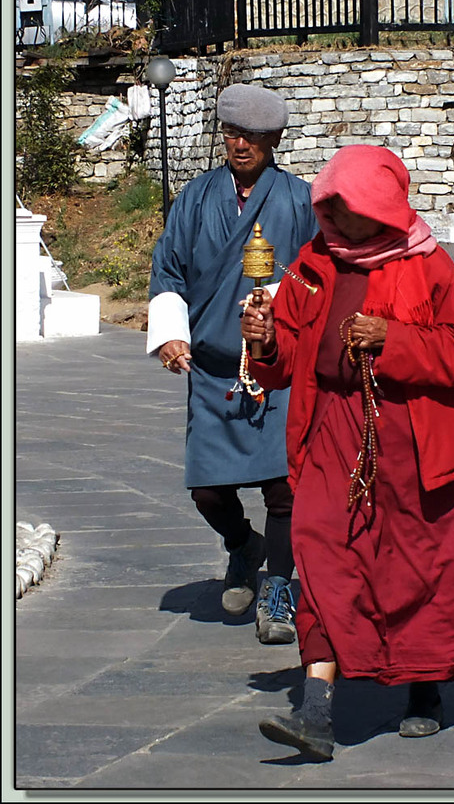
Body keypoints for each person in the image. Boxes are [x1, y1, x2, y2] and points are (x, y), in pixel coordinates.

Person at [241, 144, 454, 760]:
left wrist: (394, 337)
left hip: (413, 439)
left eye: (348, 209)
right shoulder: (312, 263)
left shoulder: (427, 264)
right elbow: (292, 354)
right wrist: (268, 341)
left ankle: (426, 688)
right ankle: (317, 709)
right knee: (322, 550)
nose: (338, 222)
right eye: (329, 208)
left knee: (417, 568)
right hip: (332, 431)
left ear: (382, 207)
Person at [146, 84, 318, 645]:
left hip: (279, 366)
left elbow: (319, 272)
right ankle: (243, 545)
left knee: (283, 489)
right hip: (214, 368)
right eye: (233, 133)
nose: (240, 144)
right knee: (207, 490)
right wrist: (171, 334)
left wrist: (282, 293)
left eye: (254, 136)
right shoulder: (195, 198)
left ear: (273, 141)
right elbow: (169, 270)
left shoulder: (299, 200)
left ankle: (278, 585)